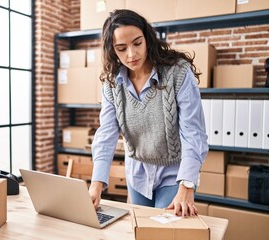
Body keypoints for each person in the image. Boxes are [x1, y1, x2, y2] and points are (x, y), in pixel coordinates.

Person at [88, 9, 208, 217]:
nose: (131, 54)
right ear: (112, 50)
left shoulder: (178, 73)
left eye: (137, 43)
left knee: (163, 233)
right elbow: (106, 134)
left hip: (174, 174)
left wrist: (187, 186)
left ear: (147, 38)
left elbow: (193, 133)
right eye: (121, 48)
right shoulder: (111, 83)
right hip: (137, 174)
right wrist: (96, 184)